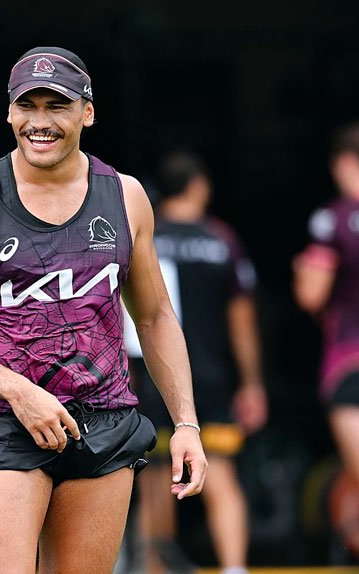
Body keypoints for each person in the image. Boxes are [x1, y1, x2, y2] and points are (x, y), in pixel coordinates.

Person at [0, 47, 208, 574]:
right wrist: (18, 391)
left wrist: (186, 423)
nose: (40, 122)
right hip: (9, 421)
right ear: (9, 113)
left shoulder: (125, 197)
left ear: (87, 113)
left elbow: (156, 316)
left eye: (58, 106)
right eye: (28, 106)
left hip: (105, 422)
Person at [126, 152, 267, 574]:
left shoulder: (145, 235)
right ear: (199, 186)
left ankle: (155, 568)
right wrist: (252, 381)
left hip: (151, 374)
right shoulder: (220, 240)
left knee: (153, 478)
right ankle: (234, 566)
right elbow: (241, 320)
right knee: (220, 472)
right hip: (207, 376)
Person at [293, 123, 359, 574]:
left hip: (357, 363)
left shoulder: (336, 218)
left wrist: (301, 274)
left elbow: (313, 294)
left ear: (347, 163)